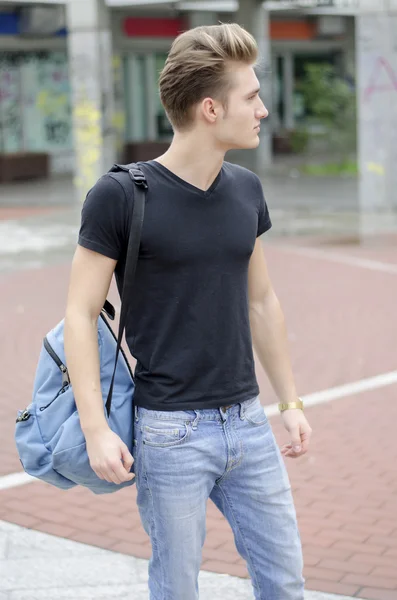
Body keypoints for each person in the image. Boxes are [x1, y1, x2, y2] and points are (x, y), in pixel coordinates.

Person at [64, 23, 312, 600]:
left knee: (285, 579)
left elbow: (261, 299)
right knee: (176, 588)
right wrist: (96, 429)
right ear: (209, 108)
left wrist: (290, 401)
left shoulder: (246, 189)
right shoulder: (121, 194)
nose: (263, 110)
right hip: (169, 430)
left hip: (248, 424)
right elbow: (79, 314)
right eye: (250, 97)